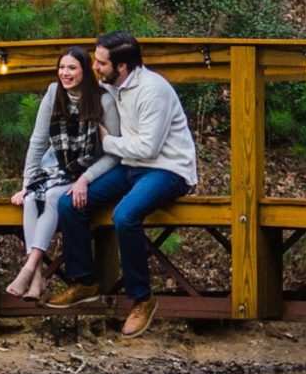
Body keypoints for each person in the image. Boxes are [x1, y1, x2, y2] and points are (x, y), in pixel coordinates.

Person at [49, 32, 199, 340]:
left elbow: (148, 149)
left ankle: (142, 299)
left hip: (167, 169)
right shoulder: (110, 85)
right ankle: (85, 282)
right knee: (69, 203)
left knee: (124, 216)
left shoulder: (153, 90)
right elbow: (73, 87)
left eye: (101, 63)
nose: (95, 67)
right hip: (130, 167)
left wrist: (108, 141)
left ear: (123, 66)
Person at [6, 46, 119, 302]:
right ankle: (35, 277)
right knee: (32, 198)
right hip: (55, 166)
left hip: (88, 169)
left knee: (55, 197)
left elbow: (113, 153)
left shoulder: (103, 100)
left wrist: (85, 178)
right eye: (61, 67)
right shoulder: (54, 92)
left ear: (85, 71)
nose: (65, 73)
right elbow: (38, 140)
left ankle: (29, 269)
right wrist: (26, 183)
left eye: (72, 68)